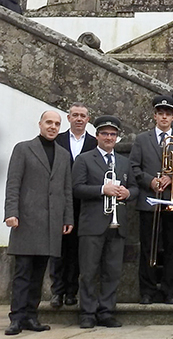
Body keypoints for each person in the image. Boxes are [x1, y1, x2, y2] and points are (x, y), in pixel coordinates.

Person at [4, 110, 74, 336]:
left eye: (57, 123)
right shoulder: (23, 149)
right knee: (22, 273)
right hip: (26, 221)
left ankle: (31, 316)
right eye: (49, 122)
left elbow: (66, 189)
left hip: (51, 224)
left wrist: (67, 218)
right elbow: (13, 183)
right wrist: (11, 213)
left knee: (39, 273)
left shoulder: (63, 155)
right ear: (40, 124)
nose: (53, 126)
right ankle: (16, 318)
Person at [72, 114, 136, 328]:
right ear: (97, 135)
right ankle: (87, 313)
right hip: (92, 224)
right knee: (89, 271)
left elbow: (135, 188)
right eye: (105, 134)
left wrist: (128, 193)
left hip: (117, 225)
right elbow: (76, 188)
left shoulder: (124, 162)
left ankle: (106, 311)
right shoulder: (84, 159)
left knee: (112, 271)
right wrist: (102, 189)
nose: (109, 137)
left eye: (113, 134)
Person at [129, 95, 173, 304]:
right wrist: (150, 181)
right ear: (155, 116)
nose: (164, 117)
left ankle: (169, 291)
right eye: (161, 113)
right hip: (149, 200)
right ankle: (147, 291)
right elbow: (134, 166)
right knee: (148, 247)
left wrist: (172, 179)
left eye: (168, 114)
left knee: (172, 248)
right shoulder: (141, 139)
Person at [50, 103, 97, 308]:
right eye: (75, 115)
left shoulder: (95, 143)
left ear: (88, 119)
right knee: (58, 247)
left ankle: (71, 291)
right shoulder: (57, 140)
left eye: (82, 116)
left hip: (84, 203)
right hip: (60, 200)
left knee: (78, 249)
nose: (79, 119)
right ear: (68, 118)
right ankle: (57, 291)